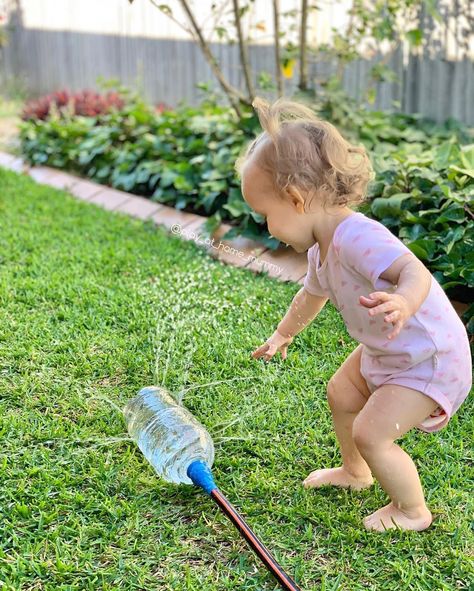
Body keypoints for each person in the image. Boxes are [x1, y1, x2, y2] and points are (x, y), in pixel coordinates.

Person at [235, 97, 472, 532]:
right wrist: (283, 334)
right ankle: (356, 472)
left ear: (295, 198)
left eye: (265, 215)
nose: (265, 227)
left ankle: (412, 511)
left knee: (372, 432)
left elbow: (413, 271)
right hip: (388, 350)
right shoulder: (320, 251)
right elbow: (310, 296)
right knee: (342, 393)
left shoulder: (357, 236)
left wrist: (403, 300)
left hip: (428, 358)